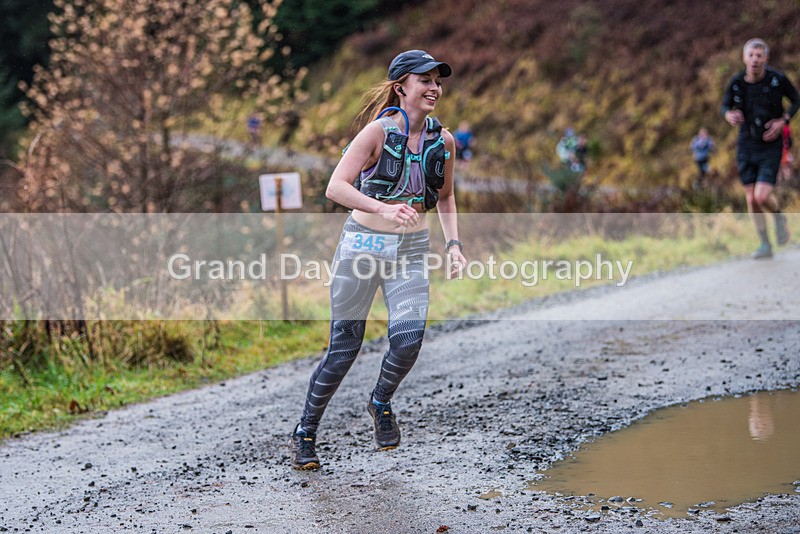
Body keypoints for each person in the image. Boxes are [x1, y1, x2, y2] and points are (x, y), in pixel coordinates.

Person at [289, 50, 467, 470]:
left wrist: (454, 244)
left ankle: (380, 401)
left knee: (408, 341)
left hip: (411, 251)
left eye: (437, 81)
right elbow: (335, 187)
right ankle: (305, 433)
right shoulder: (377, 133)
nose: (434, 88)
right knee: (343, 350)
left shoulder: (444, 142)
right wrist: (384, 208)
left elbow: (446, 196)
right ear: (401, 86)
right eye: (424, 80)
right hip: (362, 247)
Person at [722, 38, 800, 259]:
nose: (755, 59)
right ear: (744, 58)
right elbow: (725, 105)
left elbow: (796, 100)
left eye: (759, 55)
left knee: (762, 196)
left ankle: (778, 217)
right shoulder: (737, 82)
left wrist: (782, 121)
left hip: (770, 145)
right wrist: (728, 114)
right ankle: (765, 244)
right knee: (751, 199)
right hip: (746, 144)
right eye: (751, 55)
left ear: (766, 58)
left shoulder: (777, 79)